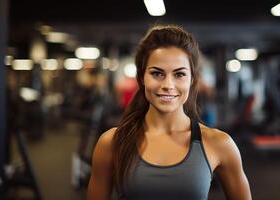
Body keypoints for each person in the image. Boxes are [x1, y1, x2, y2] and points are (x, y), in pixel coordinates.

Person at [87, 25, 252, 200]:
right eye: (157, 73)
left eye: (179, 74)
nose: (168, 85)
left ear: (192, 80)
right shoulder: (111, 143)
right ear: (142, 78)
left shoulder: (219, 144)